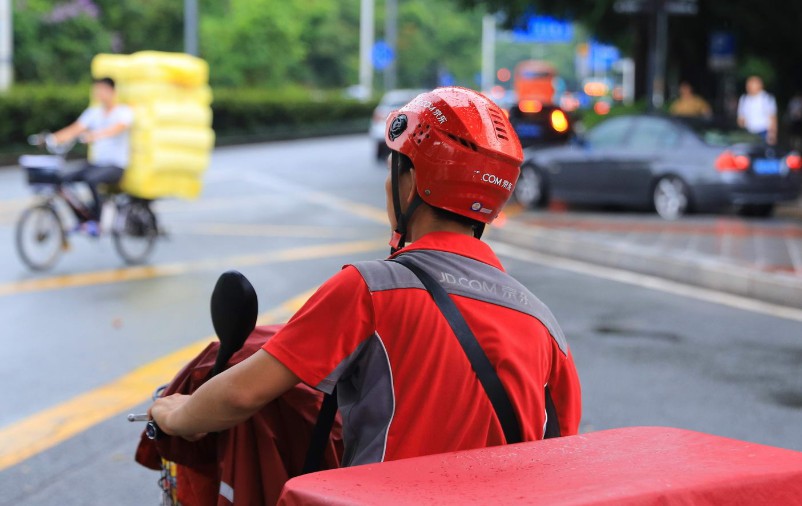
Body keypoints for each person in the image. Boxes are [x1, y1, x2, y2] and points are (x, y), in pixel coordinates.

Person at [149, 87, 582, 467]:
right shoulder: (545, 325)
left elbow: (241, 395)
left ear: (412, 184)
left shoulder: (371, 289)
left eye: (396, 168)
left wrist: (176, 414)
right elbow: (558, 452)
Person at [52, 77, 134, 234]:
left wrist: (95, 135)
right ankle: (83, 217)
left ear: (112, 91)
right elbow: (74, 130)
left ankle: (97, 220)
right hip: (97, 163)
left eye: (103, 89)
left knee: (91, 179)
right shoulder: (93, 113)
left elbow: (117, 129)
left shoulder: (123, 112)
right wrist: (52, 138)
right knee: (63, 179)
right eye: (97, 90)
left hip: (116, 165)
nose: (99, 93)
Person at [737, 75, 777, 145]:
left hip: (763, 132)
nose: (748, 86)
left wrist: (772, 134)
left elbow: (772, 118)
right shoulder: (744, 99)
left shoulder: (766, 98)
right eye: (748, 84)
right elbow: (741, 117)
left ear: (760, 85)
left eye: (751, 84)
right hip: (748, 132)